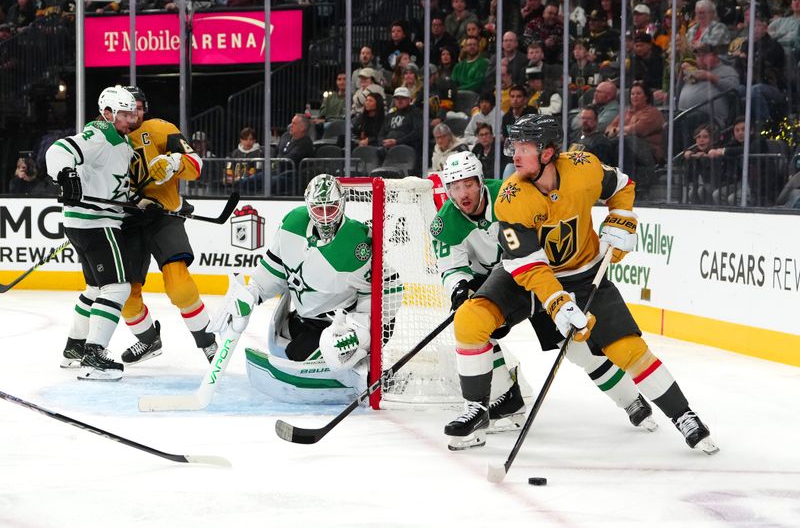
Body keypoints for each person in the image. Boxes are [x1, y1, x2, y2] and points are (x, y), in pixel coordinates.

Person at [443, 114, 718, 455]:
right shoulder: (511, 198)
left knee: (624, 350)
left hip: (585, 273)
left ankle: (684, 415)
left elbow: (622, 186)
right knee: (470, 319)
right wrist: (557, 303)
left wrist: (622, 219)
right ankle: (476, 408)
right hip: (527, 276)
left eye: (524, 148)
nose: (514, 156)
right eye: (514, 147)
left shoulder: (583, 167)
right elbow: (529, 267)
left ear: (547, 153)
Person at [432, 151, 657, 444]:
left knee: (577, 348)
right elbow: (452, 268)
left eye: (469, 184)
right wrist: (460, 287)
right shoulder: (444, 223)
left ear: (480, 180)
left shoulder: (510, 194)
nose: (463, 193)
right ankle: (501, 400)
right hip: (501, 286)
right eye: (455, 187)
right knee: (475, 328)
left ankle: (631, 401)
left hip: (541, 278)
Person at [213, 174, 401, 403]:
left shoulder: (357, 243)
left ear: (342, 204)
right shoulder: (292, 224)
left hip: (343, 324)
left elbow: (390, 284)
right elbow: (275, 271)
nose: (324, 217)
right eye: (317, 209)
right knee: (284, 339)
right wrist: (251, 293)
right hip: (307, 319)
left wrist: (361, 328)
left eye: (330, 208)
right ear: (307, 205)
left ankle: (367, 371)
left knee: (304, 352)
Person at [117, 86, 218, 366]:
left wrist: (174, 163)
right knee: (124, 294)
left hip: (164, 217)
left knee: (179, 285)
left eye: (137, 106)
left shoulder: (160, 129)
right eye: (127, 108)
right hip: (128, 222)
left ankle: (208, 342)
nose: (133, 113)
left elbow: (196, 165)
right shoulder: (108, 139)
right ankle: (149, 340)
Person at [45, 85, 137, 381]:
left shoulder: (119, 140)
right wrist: (66, 174)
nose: (130, 120)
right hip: (97, 224)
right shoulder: (100, 135)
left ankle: (74, 349)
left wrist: (133, 202)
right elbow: (58, 150)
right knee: (117, 288)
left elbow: (110, 182)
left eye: (131, 113)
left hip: (83, 223)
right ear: (107, 113)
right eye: (123, 114)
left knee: (96, 289)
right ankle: (94, 355)